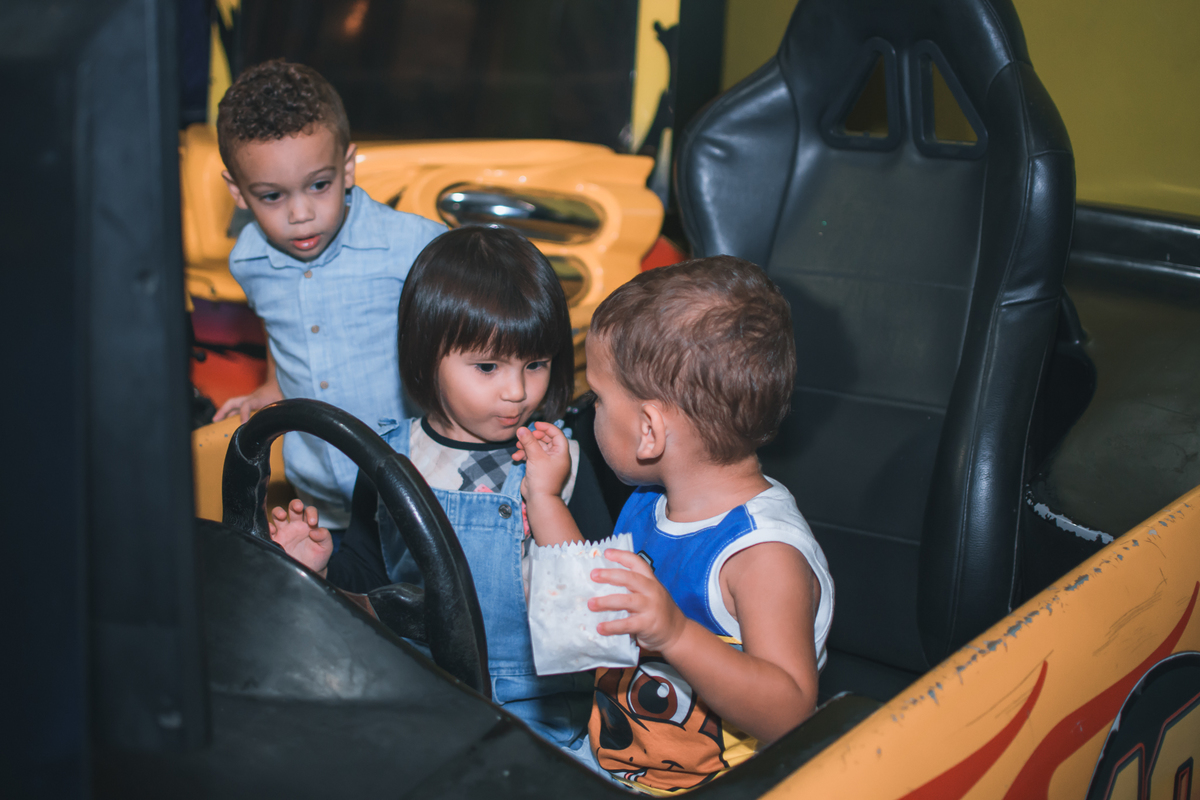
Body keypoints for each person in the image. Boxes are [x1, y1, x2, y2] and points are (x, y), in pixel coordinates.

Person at [269, 226, 612, 748]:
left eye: (536, 364)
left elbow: (599, 603)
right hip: (418, 691)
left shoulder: (563, 460)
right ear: (428, 355)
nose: (517, 392)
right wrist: (319, 565)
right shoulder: (390, 459)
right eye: (488, 366)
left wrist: (546, 498)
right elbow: (369, 576)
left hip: (540, 709)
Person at [517, 256, 835, 793]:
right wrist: (544, 495)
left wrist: (677, 634)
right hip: (618, 765)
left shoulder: (763, 557)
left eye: (598, 398)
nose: (589, 409)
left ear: (649, 431)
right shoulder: (648, 502)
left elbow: (790, 712)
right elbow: (593, 591)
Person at [212, 59, 445, 532]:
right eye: (272, 196)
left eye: (319, 185)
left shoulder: (413, 246)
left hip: (420, 487)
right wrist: (271, 386)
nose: (301, 214)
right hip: (320, 493)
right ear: (238, 192)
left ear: (348, 167)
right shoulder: (248, 261)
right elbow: (282, 327)